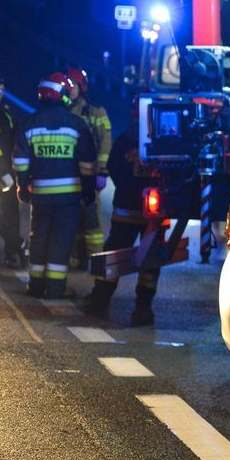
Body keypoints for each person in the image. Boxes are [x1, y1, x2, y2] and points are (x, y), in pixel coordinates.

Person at [12, 73, 97, 298]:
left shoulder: (29, 124)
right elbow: (88, 163)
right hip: (68, 198)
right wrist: (88, 190)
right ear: (62, 95)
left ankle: (36, 285)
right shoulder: (76, 124)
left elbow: (20, 161)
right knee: (61, 240)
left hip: (39, 195)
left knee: (38, 237)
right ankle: (56, 289)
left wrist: (21, 186)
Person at [83, 119, 159, 324]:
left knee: (142, 258)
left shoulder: (126, 140)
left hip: (141, 210)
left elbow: (115, 167)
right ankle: (104, 297)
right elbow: (114, 167)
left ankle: (139, 304)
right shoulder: (132, 141)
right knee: (117, 255)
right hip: (132, 210)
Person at [65, 66, 111, 268]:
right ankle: (77, 260)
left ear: (81, 87)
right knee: (72, 221)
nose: (70, 89)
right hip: (68, 176)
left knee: (91, 223)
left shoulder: (95, 111)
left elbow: (105, 142)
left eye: (73, 86)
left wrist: (101, 171)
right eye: (67, 86)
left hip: (90, 176)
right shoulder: (62, 112)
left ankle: (96, 261)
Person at [0, 78, 25, 268]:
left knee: (10, 214)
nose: (0, 94)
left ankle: (12, 252)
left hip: (6, 175)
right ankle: (16, 247)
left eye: (1, 90)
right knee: (0, 216)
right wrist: (3, 171)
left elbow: (14, 142)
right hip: (0, 173)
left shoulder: (5, 113)